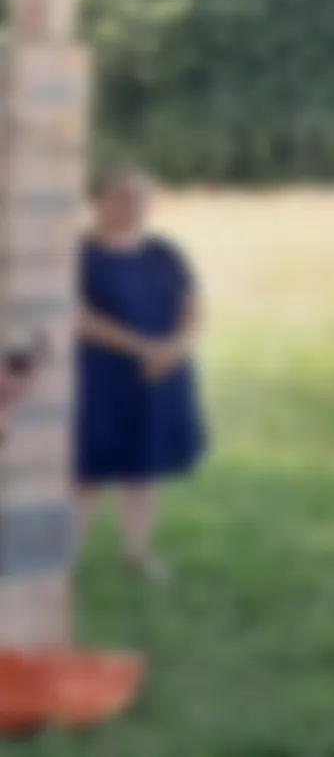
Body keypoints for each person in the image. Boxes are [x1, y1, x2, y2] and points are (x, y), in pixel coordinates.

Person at [73, 166, 207, 581]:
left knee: (144, 468)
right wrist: (145, 348)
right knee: (86, 472)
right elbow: (78, 317)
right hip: (100, 375)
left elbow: (193, 305)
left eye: (143, 198)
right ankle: (61, 564)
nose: (135, 206)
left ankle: (137, 553)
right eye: (123, 196)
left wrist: (176, 347)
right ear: (97, 200)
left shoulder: (164, 252)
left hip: (161, 373)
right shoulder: (77, 253)